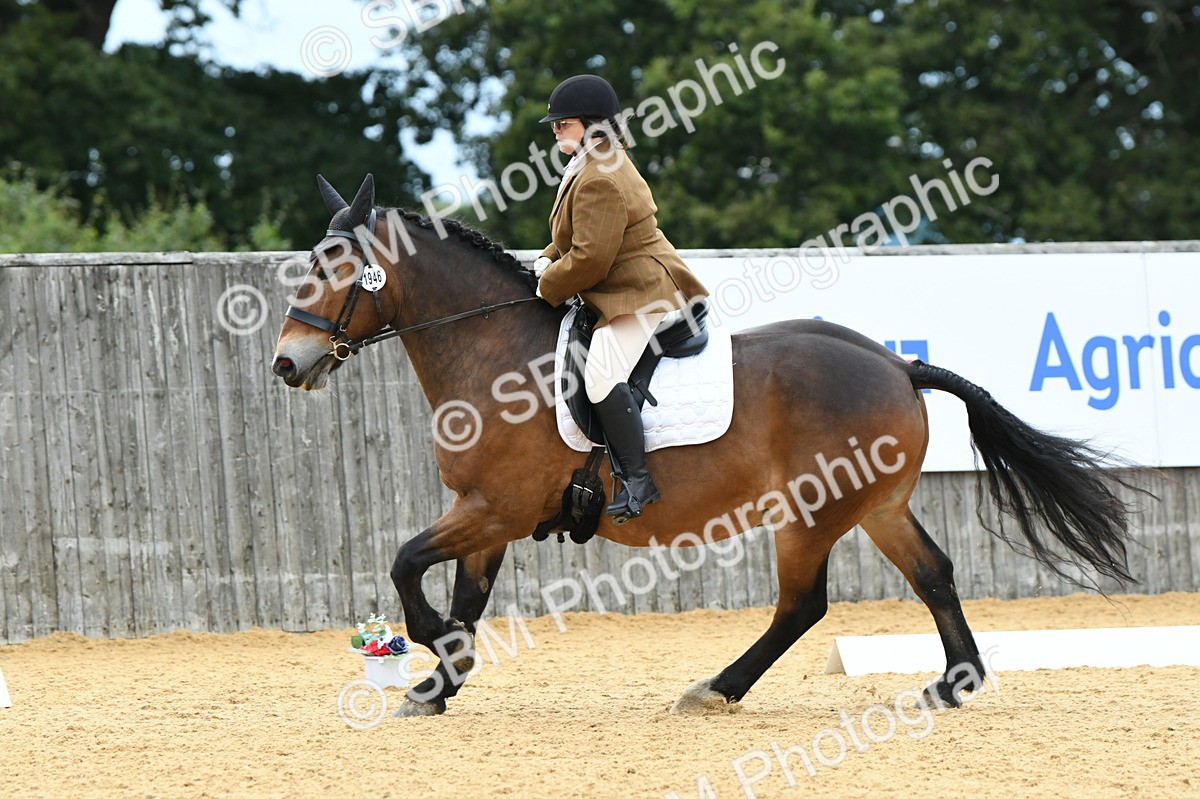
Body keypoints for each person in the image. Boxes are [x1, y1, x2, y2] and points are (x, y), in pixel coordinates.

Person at [533, 74, 710, 522]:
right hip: (628, 284)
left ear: (590, 124)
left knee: (600, 375)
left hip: (642, 293)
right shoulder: (594, 164)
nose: (555, 130)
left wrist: (547, 284)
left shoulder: (599, 177)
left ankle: (638, 479)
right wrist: (542, 261)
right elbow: (573, 237)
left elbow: (591, 259)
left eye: (562, 123)